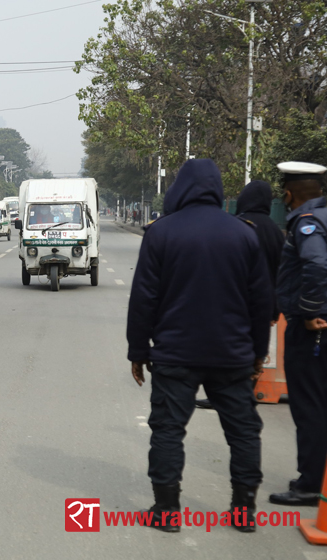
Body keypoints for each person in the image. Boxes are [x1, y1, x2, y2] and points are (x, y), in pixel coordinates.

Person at [127, 159, 273, 532]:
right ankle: (243, 512)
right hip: (233, 355)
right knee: (243, 433)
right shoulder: (244, 234)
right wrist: (259, 352)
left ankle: (166, 511)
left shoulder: (161, 234)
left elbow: (144, 298)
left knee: (168, 431)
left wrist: (138, 352)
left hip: (175, 355)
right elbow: (261, 302)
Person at [267, 161, 327, 507]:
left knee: (309, 407)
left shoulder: (306, 224)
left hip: (313, 332)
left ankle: (309, 485)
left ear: (289, 195)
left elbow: (317, 265)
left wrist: (310, 311)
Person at [196, 180, 285, 410]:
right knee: (259, 351)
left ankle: (223, 395)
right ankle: (244, 393)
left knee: (229, 351)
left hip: (235, 303)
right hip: (266, 304)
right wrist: (275, 307)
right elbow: (280, 272)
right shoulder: (276, 232)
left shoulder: (237, 226)